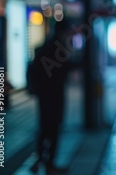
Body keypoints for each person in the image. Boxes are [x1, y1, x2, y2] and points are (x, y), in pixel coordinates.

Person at [27, 19, 73, 174]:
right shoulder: (57, 49)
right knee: (52, 130)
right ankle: (48, 164)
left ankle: (40, 162)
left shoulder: (47, 47)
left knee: (45, 129)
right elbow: (63, 71)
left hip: (46, 96)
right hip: (53, 96)